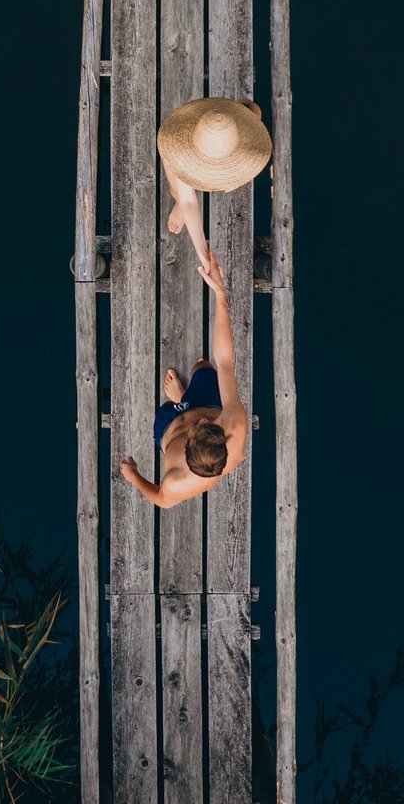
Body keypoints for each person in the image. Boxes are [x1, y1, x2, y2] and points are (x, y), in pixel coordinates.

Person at [119, 248, 249, 508]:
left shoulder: (179, 481)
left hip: (169, 426)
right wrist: (221, 296)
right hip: (208, 402)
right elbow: (225, 361)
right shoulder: (234, 424)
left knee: (167, 408)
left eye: (198, 427)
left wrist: (134, 477)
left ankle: (179, 401)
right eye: (210, 424)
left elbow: (162, 500)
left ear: (187, 449)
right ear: (223, 438)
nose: (201, 420)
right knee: (203, 365)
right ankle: (186, 397)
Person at [158, 96, 271, 268]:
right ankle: (177, 199)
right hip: (184, 150)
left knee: (253, 111)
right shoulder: (182, 154)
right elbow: (189, 202)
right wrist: (203, 255)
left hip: (218, 134)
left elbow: (252, 108)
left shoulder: (225, 123)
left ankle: (188, 191)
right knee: (178, 190)